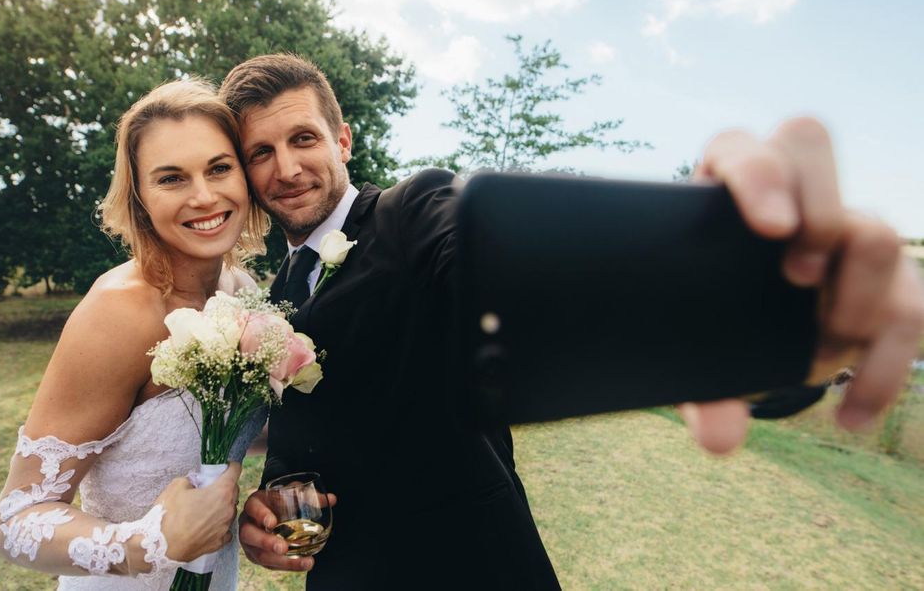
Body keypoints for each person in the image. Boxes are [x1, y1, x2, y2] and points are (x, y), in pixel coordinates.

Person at [220, 54, 924, 589]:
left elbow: (507, 272)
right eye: (261, 152)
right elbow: (302, 441)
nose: (286, 167)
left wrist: (745, 298)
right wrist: (270, 505)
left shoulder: (409, 212)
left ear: (341, 141)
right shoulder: (275, 292)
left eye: (303, 139)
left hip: (473, 567)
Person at [0, 78, 270, 589]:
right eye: (171, 179)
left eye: (219, 168)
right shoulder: (118, 312)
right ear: (139, 196)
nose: (204, 196)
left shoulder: (243, 292)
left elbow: (234, 428)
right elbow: (15, 522)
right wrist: (147, 546)